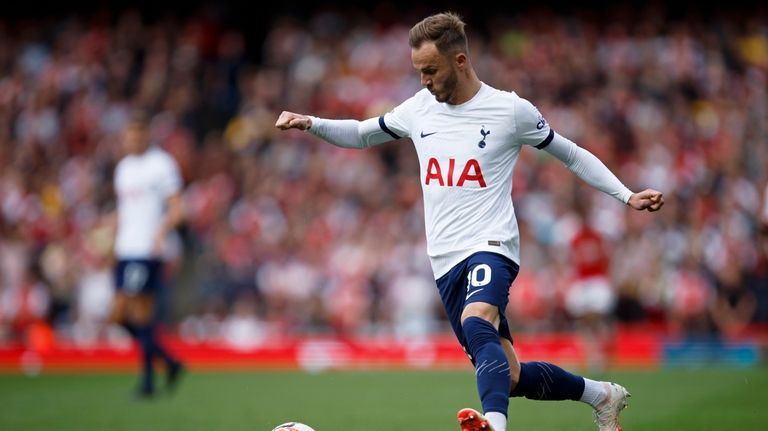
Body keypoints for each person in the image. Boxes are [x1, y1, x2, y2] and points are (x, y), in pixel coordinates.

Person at [275, 12, 664, 431]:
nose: (423, 80)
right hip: (444, 260)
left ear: (460, 61)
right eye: (418, 71)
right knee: (509, 375)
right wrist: (310, 123)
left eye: (430, 70)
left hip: (491, 244)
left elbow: (569, 152)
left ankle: (495, 426)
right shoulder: (419, 109)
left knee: (476, 319)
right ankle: (601, 395)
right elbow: (361, 133)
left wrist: (626, 194)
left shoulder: (509, 110)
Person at [110, 110, 185, 398]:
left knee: (139, 312)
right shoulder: (124, 168)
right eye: (128, 135)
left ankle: (148, 382)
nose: (132, 140)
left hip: (145, 249)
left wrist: (161, 232)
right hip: (125, 247)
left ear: (146, 136)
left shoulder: (161, 165)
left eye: (137, 134)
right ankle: (168, 362)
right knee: (120, 316)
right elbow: (125, 211)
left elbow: (177, 208)